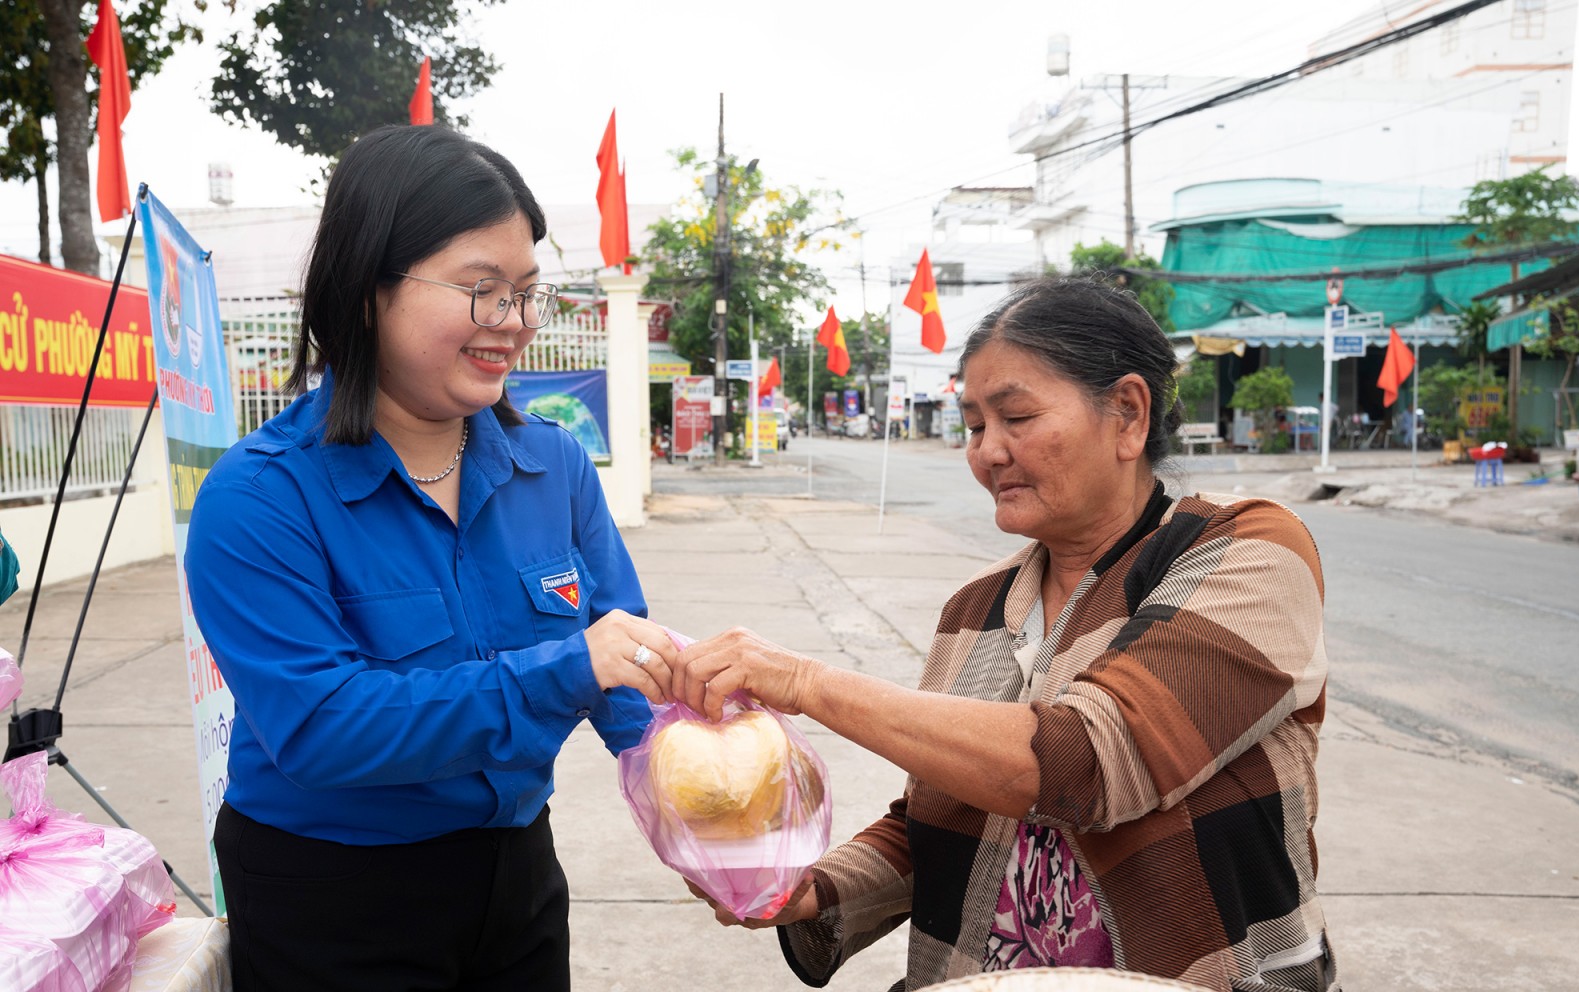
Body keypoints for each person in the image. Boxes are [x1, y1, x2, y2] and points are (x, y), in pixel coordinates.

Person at [669, 277, 1336, 992]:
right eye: (975, 425)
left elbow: (1086, 762)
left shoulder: (1249, 550)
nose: (988, 452)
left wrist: (806, 683)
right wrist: (810, 889)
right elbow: (941, 814)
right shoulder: (976, 607)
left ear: (1130, 415)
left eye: (1015, 416)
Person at [185, 125, 677, 991]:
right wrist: (566, 670)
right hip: (332, 895)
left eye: (528, 293)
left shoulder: (553, 465)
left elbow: (620, 649)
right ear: (369, 287)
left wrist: (691, 790)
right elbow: (321, 727)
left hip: (516, 871)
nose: (515, 324)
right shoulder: (259, 498)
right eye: (483, 290)